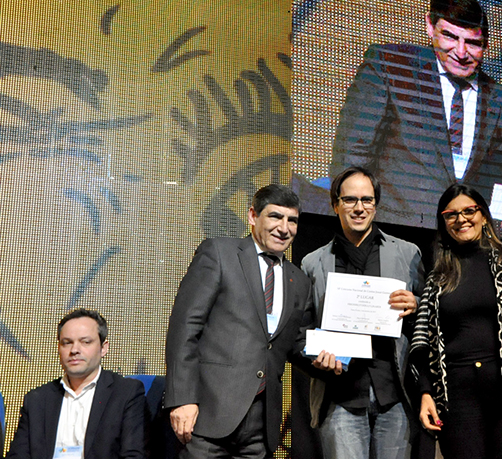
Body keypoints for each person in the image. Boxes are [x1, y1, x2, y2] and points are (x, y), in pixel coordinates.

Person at [164, 184, 341, 458]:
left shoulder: (299, 280)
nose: (284, 228)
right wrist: (183, 398)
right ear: (252, 216)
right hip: (207, 415)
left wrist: (327, 357)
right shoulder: (220, 253)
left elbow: (295, 342)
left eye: (292, 220)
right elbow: (184, 328)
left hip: (262, 424)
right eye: (275, 217)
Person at [330, 0, 502, 228]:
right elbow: (352, 154)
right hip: (392, 234)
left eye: (473, 43)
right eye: (450, 37)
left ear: (486, 44)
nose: (461, 53)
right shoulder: (388, 67)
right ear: (430, 27)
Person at [409, 184, 502, 459]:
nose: (461, 219)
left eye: (469, 211)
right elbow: (425, 343)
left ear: (483, 214)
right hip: (457, 400)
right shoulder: (437, 278)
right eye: (451, 214)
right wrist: (425, 394)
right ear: (443, 222)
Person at [301, 167, 424, 459]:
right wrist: (317, 355)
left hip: (394, 396)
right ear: (335, 204)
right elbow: (302, 330)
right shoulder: (312, 262)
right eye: (350, 200)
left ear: (376, 205)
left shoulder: (408, 254)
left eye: (367, 200)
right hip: (340, 397)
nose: (359, 208)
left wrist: (416, 303)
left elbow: (432, 317)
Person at [6, 308, 146, 459]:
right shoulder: (37, 400)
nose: (74, 350)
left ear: (103, 348)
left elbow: (134, 455)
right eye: (67, 343)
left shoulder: (126, 393)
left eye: (85, 342)